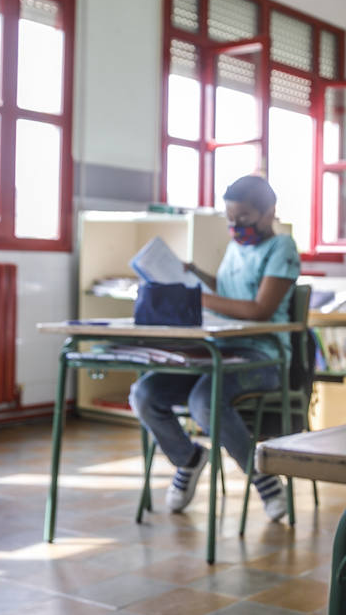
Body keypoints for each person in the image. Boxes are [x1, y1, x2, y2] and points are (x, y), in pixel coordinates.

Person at [128, 175, 301, 521]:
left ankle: (263, 478)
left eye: (245, 218)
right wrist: (194, 276)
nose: (236, 226)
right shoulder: (237, 247)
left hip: (262, 356)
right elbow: (229, 289)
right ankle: (188, 459)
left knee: (204, 401)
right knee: (144, 394)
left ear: (269, 213)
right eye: (230, 219)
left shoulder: (283, 248)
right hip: (218, 350)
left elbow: (258, 309)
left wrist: (195, 296)